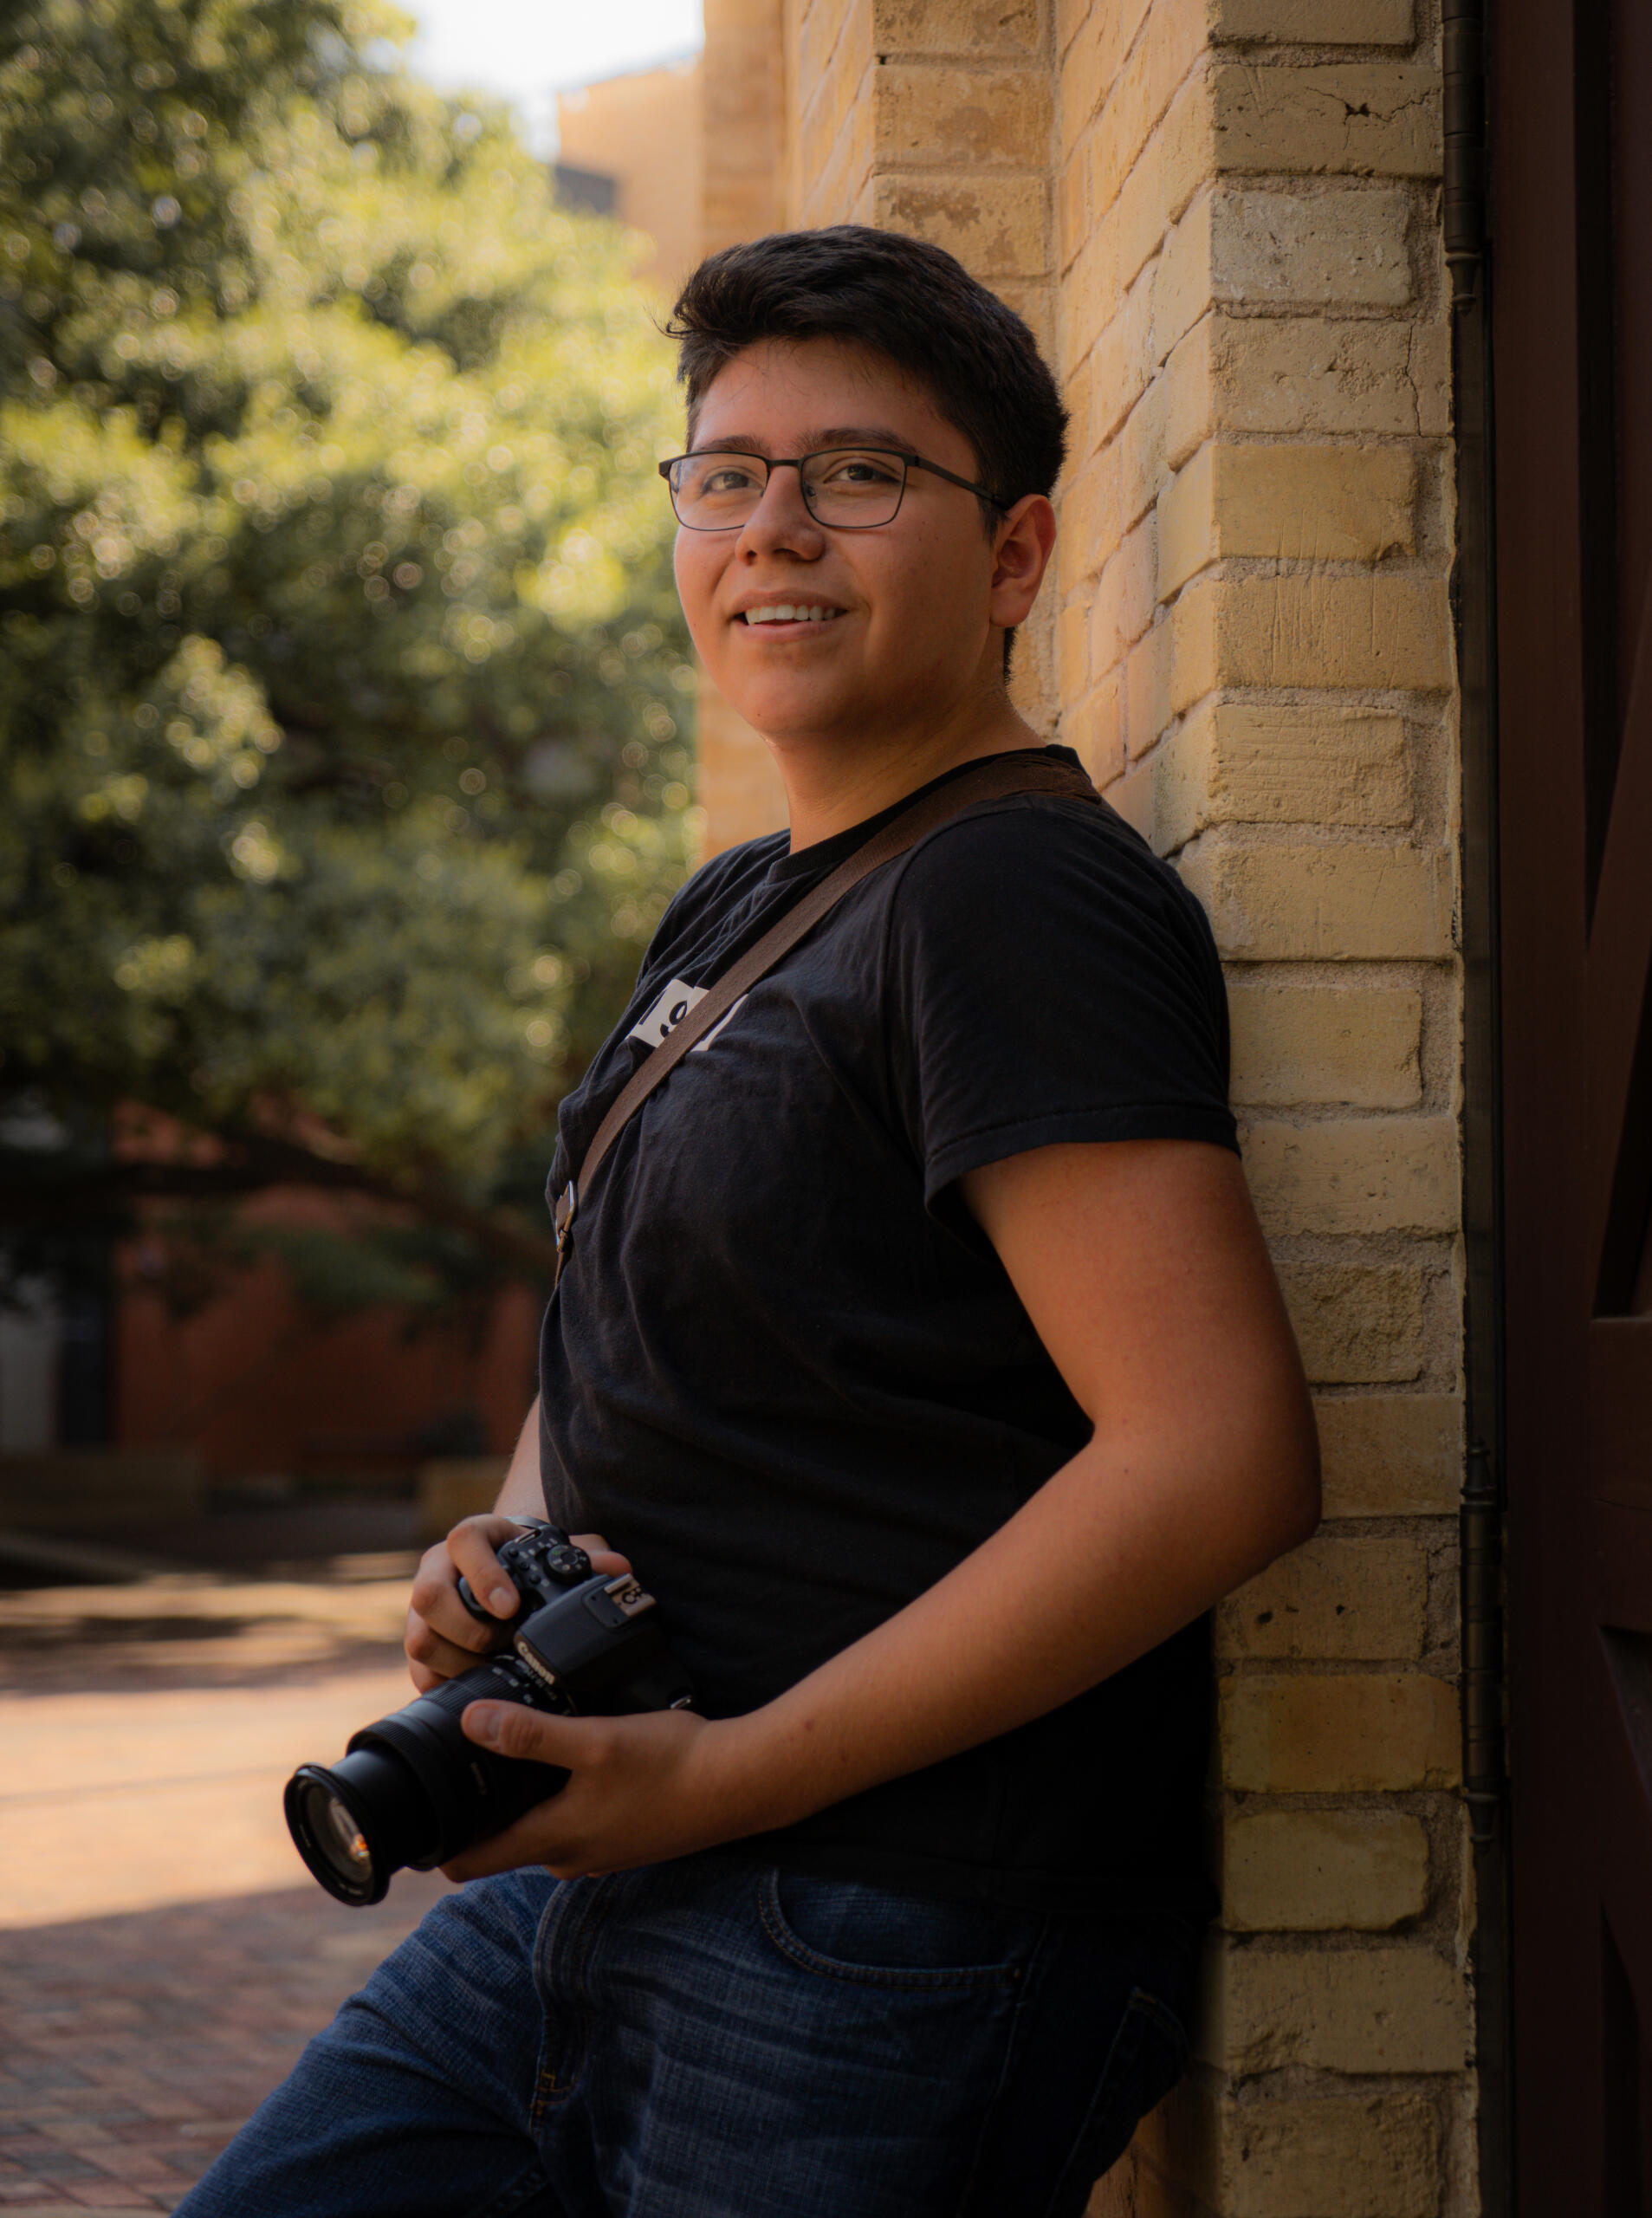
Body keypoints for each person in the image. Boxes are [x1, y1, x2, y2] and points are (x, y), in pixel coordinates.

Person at [177, 225, 1319, 2218]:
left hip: (874, 1933)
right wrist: (501, 1542)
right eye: (726, 473)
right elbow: (619, 1321)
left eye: (858, 473)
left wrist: (725, 1771)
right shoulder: (734, 903)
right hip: (594, 1871)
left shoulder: (1011, 895)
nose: (773, 527)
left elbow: (1218, 1454)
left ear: (1019, 556)